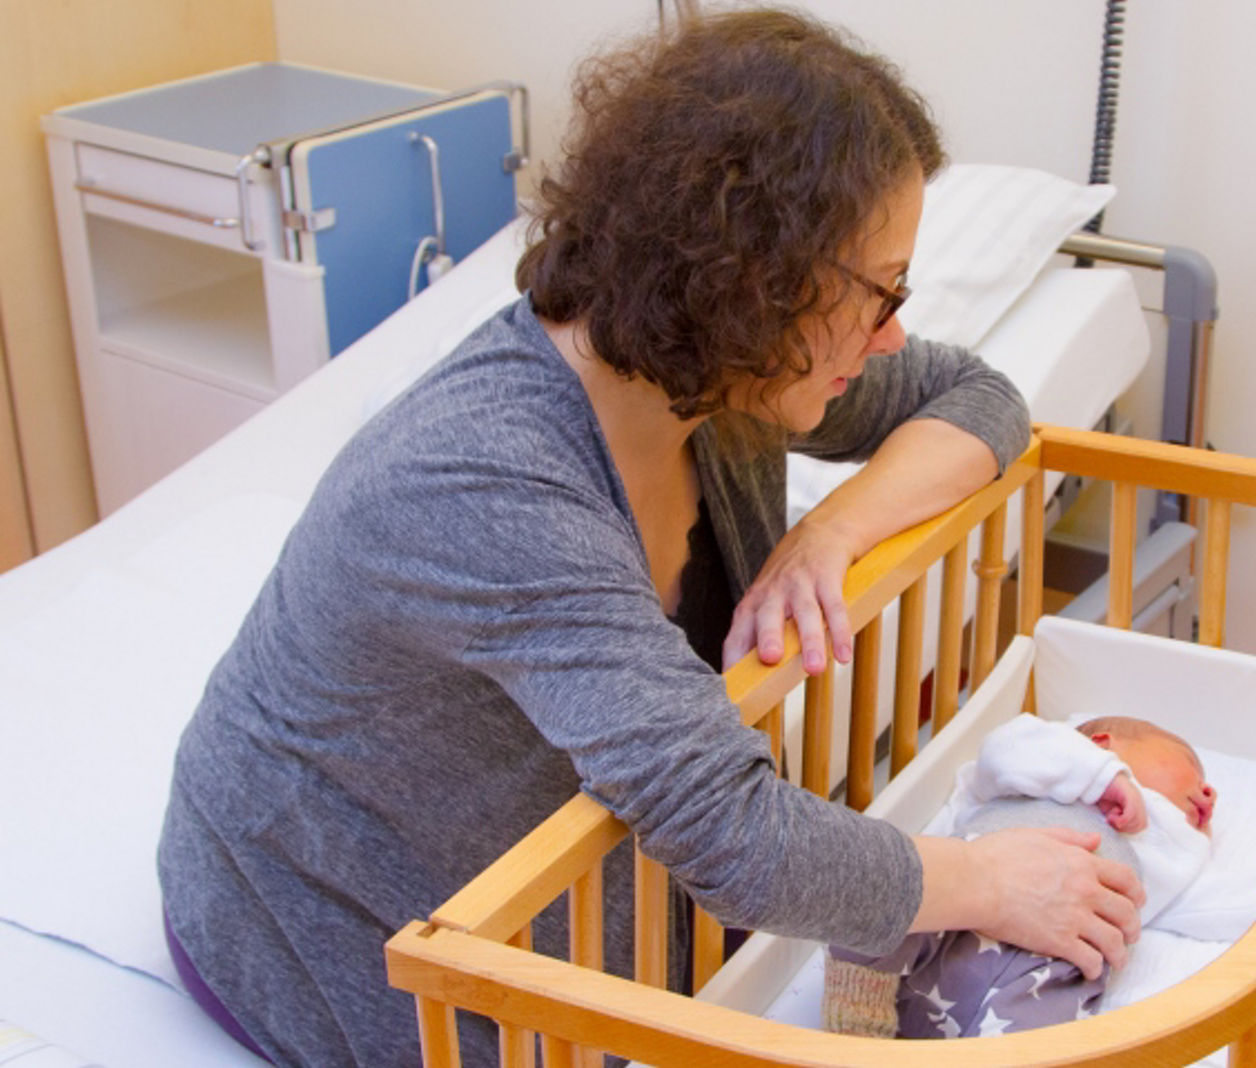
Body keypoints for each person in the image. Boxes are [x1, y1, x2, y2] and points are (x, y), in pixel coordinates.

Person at [156, 10, 1143, 1066]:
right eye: (879, 293)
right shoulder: (487, 484)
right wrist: (990, 878)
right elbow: (734, 837)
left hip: (562, 889)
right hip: (330, 923)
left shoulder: (732, 380)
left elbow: (979, 398)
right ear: (754, 280)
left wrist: (829, 534)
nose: (893, 331)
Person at [825, 715, 1216, 1039]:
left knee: (1047, 1034)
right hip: (962, 899)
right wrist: (1103, 777)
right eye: (1189, 764)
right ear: (1102, 743)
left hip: (1049, 962)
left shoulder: (1170, 841)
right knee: (884, 893)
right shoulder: (1055, 765)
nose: (1208, 789)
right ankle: (856, 1022)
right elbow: (1004, 749)